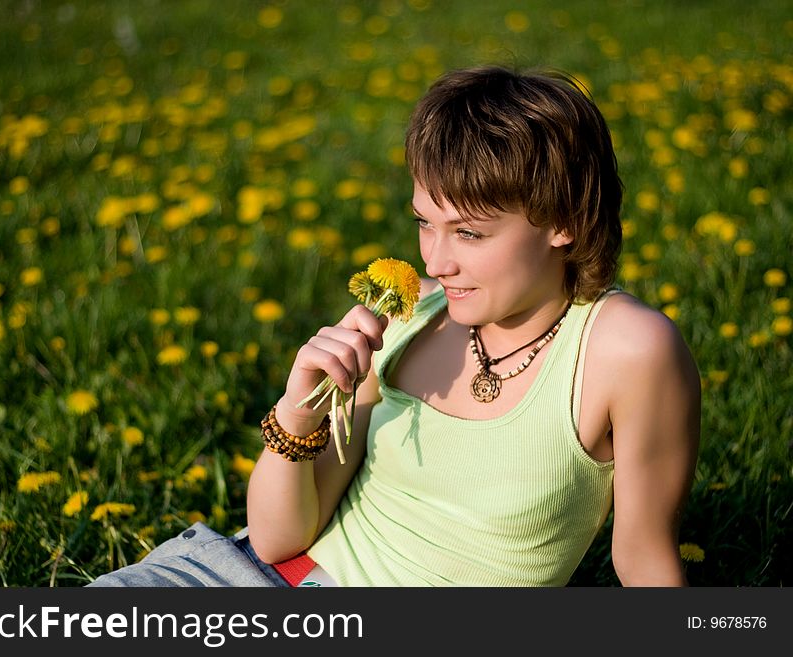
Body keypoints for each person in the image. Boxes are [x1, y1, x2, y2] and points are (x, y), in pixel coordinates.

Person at [89, 65, 701, 588]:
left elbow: (644, 560)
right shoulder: (412, 315)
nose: (435, 261)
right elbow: (277, 542)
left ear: (563, 219)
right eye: (423, 223)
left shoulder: (625, 350)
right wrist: (299, 413)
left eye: (468, 232)